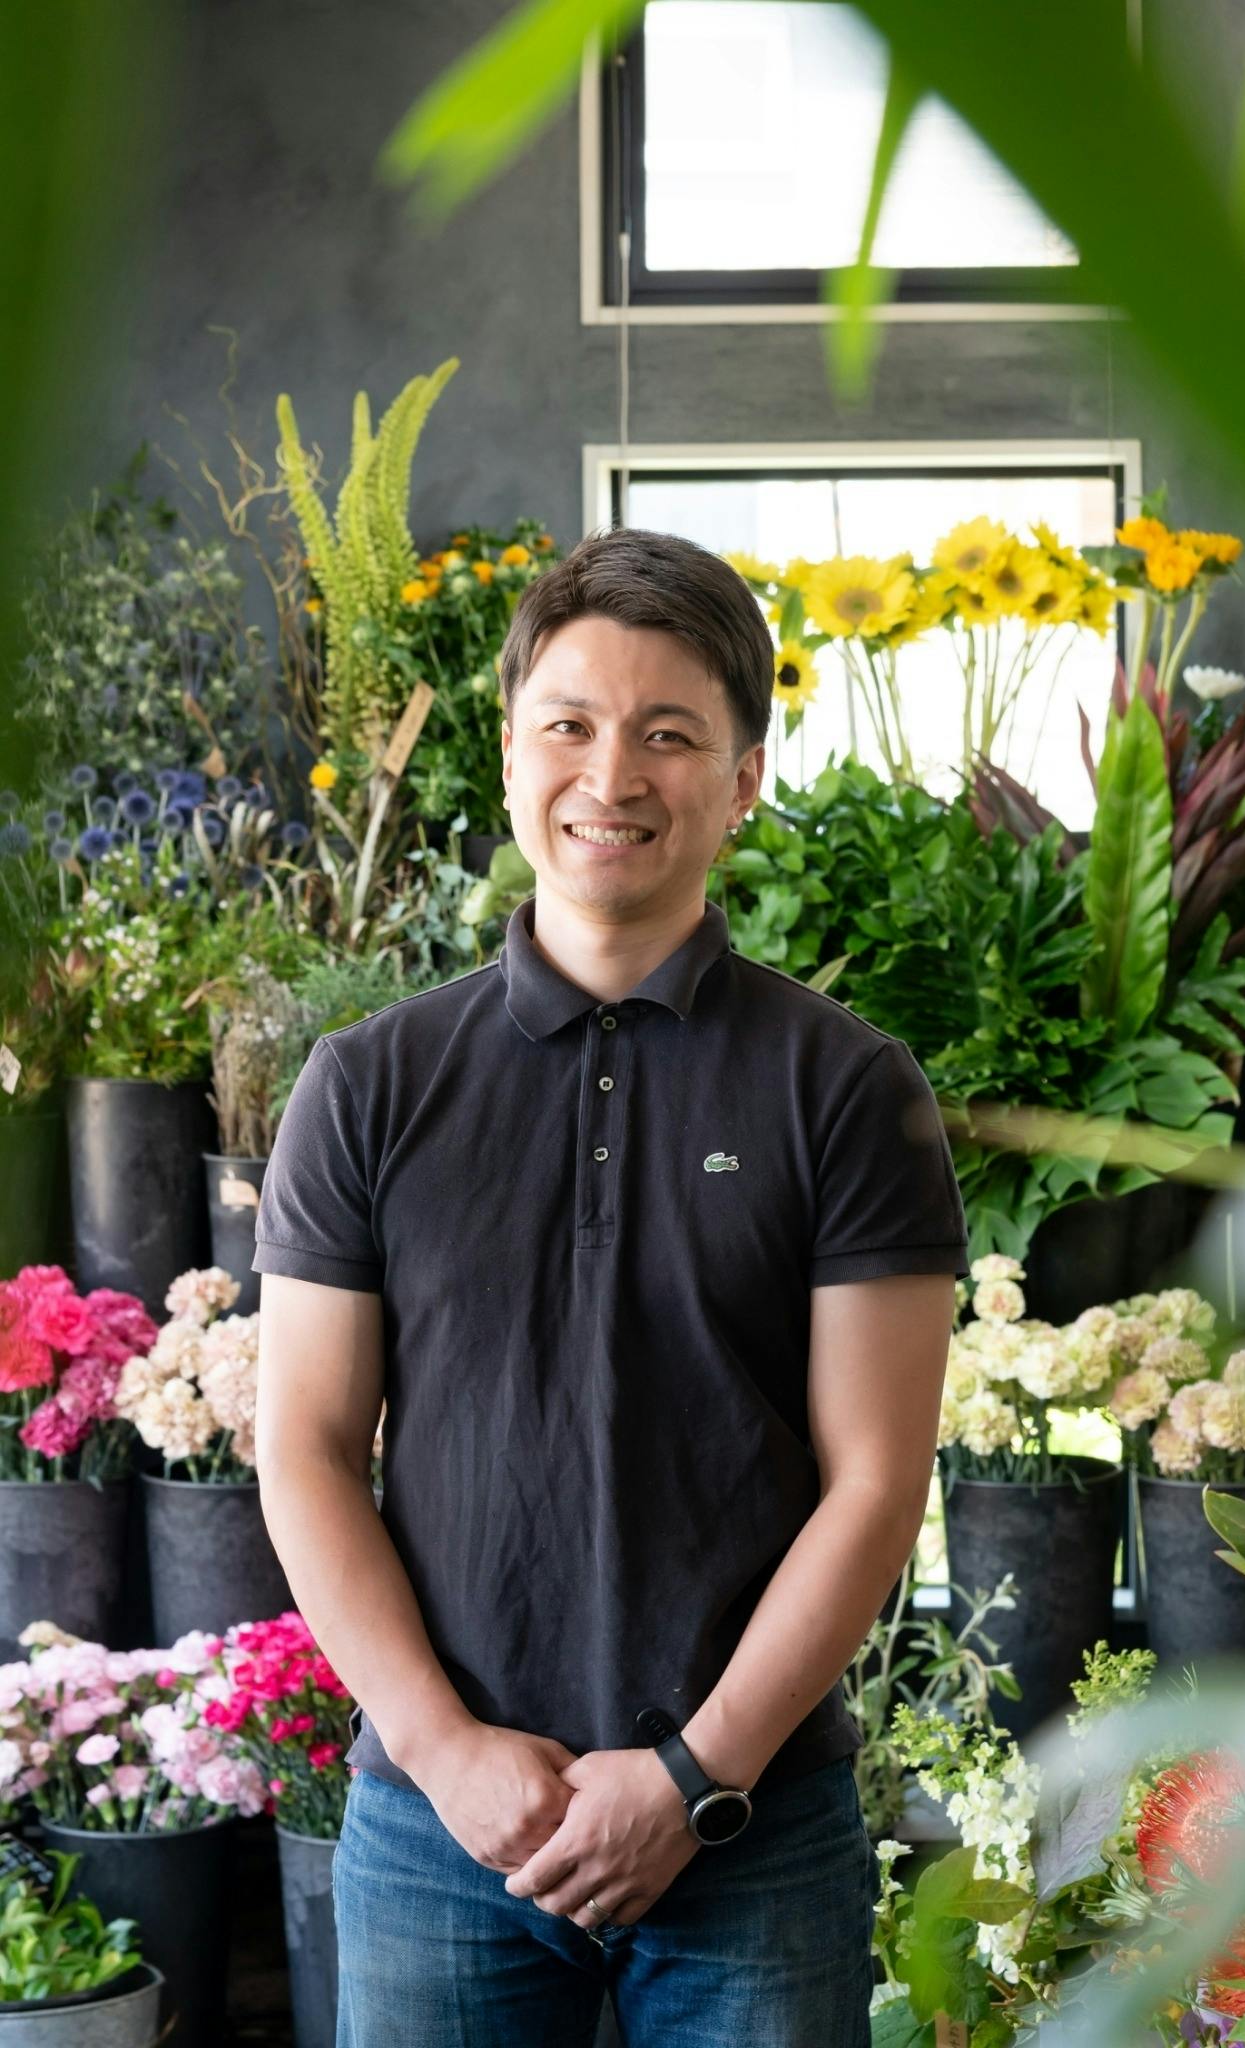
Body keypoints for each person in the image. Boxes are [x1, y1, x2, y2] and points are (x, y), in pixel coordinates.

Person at [253, 526, 968, 2048]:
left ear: (746, 777)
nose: (612, 774)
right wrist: (444, 1750)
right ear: (510, 753)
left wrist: (694, 1777)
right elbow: (304, 1448)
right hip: (440, 1833)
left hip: (751, 1831)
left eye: (669, 735)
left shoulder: (847, 1090)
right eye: (569, 724)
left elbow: (877, 1482)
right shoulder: (367, 1086)